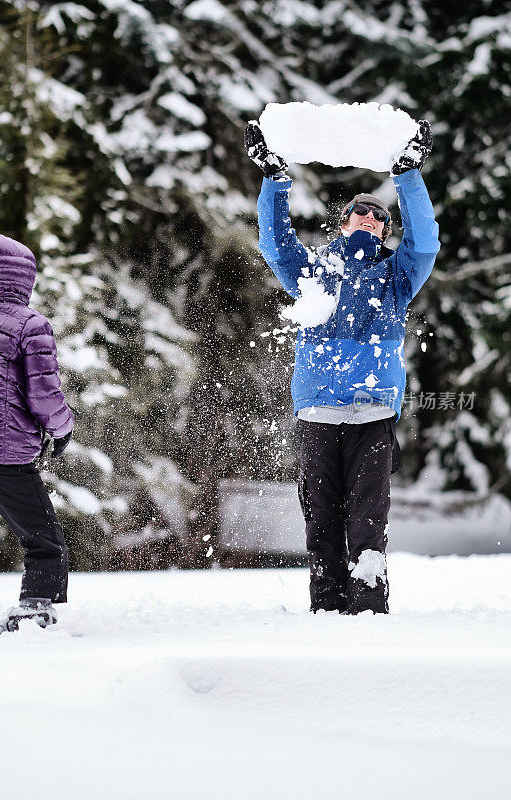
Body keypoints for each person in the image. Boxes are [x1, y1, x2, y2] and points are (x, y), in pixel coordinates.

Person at [245, 118, 439, 614]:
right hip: (317, 416)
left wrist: (407, 176)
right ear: (344, 221)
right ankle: (326, 609)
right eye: (360, 212)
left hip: (372, 416)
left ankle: (369, 612)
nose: (370, 218)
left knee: (367, 520)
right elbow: (274, 243)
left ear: (385, 230)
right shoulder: (314, 273)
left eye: (379, 217)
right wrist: (273, 178)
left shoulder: (396, 276)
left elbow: (424, 246)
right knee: (321, 520)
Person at [0, 233, 74, 631]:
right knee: (44, 539)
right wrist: (62, 429)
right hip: (5, 455)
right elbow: (43, 390)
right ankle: (36, 608)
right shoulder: (30, 325)